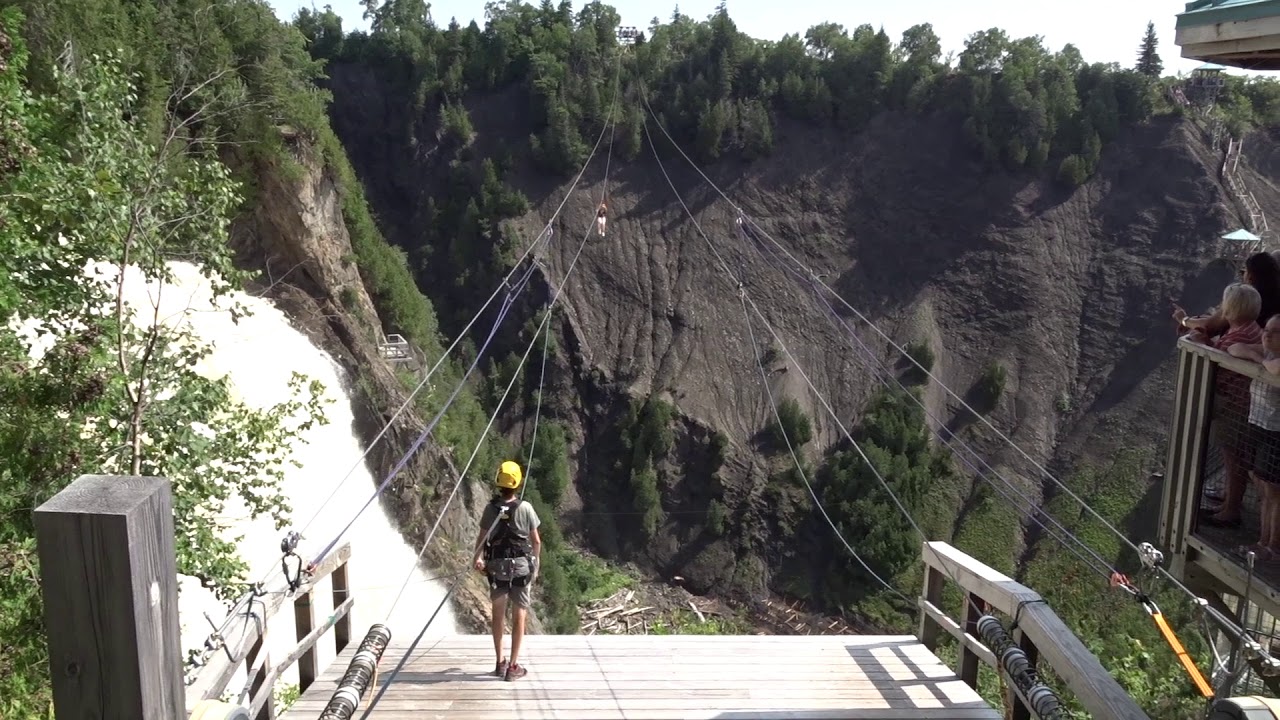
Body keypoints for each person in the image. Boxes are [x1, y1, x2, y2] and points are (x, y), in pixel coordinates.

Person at [472, 460, 541, 681]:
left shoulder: (490, 509)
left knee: (498, 615)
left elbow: (482, 538)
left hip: (497, 567)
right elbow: (536, 541)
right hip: (521, 567)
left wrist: (478, 558)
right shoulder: (526, 508)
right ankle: (513, 666)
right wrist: (535, 564)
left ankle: (499, 663)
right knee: (519, 614)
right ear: (518, 483)